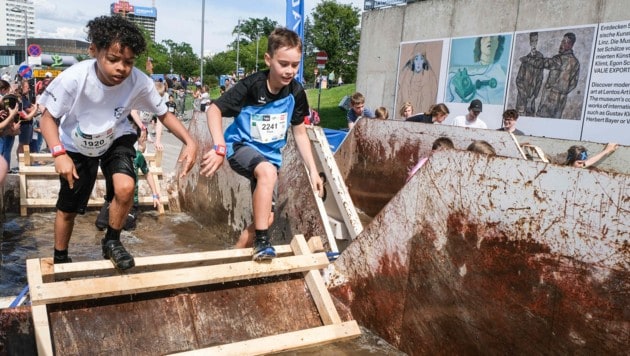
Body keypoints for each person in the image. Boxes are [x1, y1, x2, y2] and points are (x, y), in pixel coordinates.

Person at [38, 15, 197, 269]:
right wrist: (58, 154)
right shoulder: (74, 78)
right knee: (68, 209)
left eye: (129, 62)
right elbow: (47, 119)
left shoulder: (139, 82)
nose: (121, 68)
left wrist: (189, 141)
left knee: (125, 188)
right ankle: (60, 257)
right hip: (76, 144)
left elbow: (164, 114)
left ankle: (112, 241)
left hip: (115, 136)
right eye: (113, 60)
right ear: (94, 51)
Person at [200, 27, 323, 261]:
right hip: (240, 147)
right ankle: (263, 244)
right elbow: (214, 109)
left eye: (295, 65)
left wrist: (313, 170)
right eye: (283, 64)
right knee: (266, 173)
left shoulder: (296, 93)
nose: (290, 71)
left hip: (270, 158)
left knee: (265, 218)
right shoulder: (251, 86)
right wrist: (219, 147)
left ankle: (235, 254)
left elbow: (300, 133)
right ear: (269, 59)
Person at [95, 124, 162, 231]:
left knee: (127, 226)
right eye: (142, 139)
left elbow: (148, 174)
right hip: (113, 197)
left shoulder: (138, 156)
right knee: (100, 224)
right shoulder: (114, 154)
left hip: (131, 200)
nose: (143, 142)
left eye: (144, 139)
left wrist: (154, 194)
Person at [535, 32, 580, 119]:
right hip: (560, 102)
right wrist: (564, 91)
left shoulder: (558, 59)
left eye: (564, 42)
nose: (561, 44)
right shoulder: (576, 62)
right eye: (562, 41)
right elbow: (573, 84)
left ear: (570, 45)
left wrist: (530, 60)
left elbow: (544, 63)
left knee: (543, 120)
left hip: (548, 101)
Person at [516, 32, 544, 116]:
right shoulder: (525, 60)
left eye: (536, 41)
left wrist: (532, 98)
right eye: (532, 41)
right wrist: (526, 97)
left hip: (531, 100)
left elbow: (540, 80)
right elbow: (518, 80)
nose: (534, 43)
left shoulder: (540, 58)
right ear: (530, 42)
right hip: (522, 99)